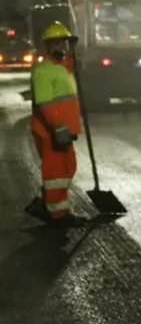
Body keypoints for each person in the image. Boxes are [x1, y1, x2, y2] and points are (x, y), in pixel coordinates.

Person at [25, 21, 84, 227]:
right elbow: (45, 102)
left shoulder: (63, 68)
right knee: (56, 174)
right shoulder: (44, 69)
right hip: (51, 131)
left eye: (64, 42)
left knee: (68, 168)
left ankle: (46, 203)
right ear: (48, 46)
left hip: (65, 130)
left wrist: (73, 55)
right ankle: (58, 214)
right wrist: (58, 126)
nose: (62, 47)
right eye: (56, 43)